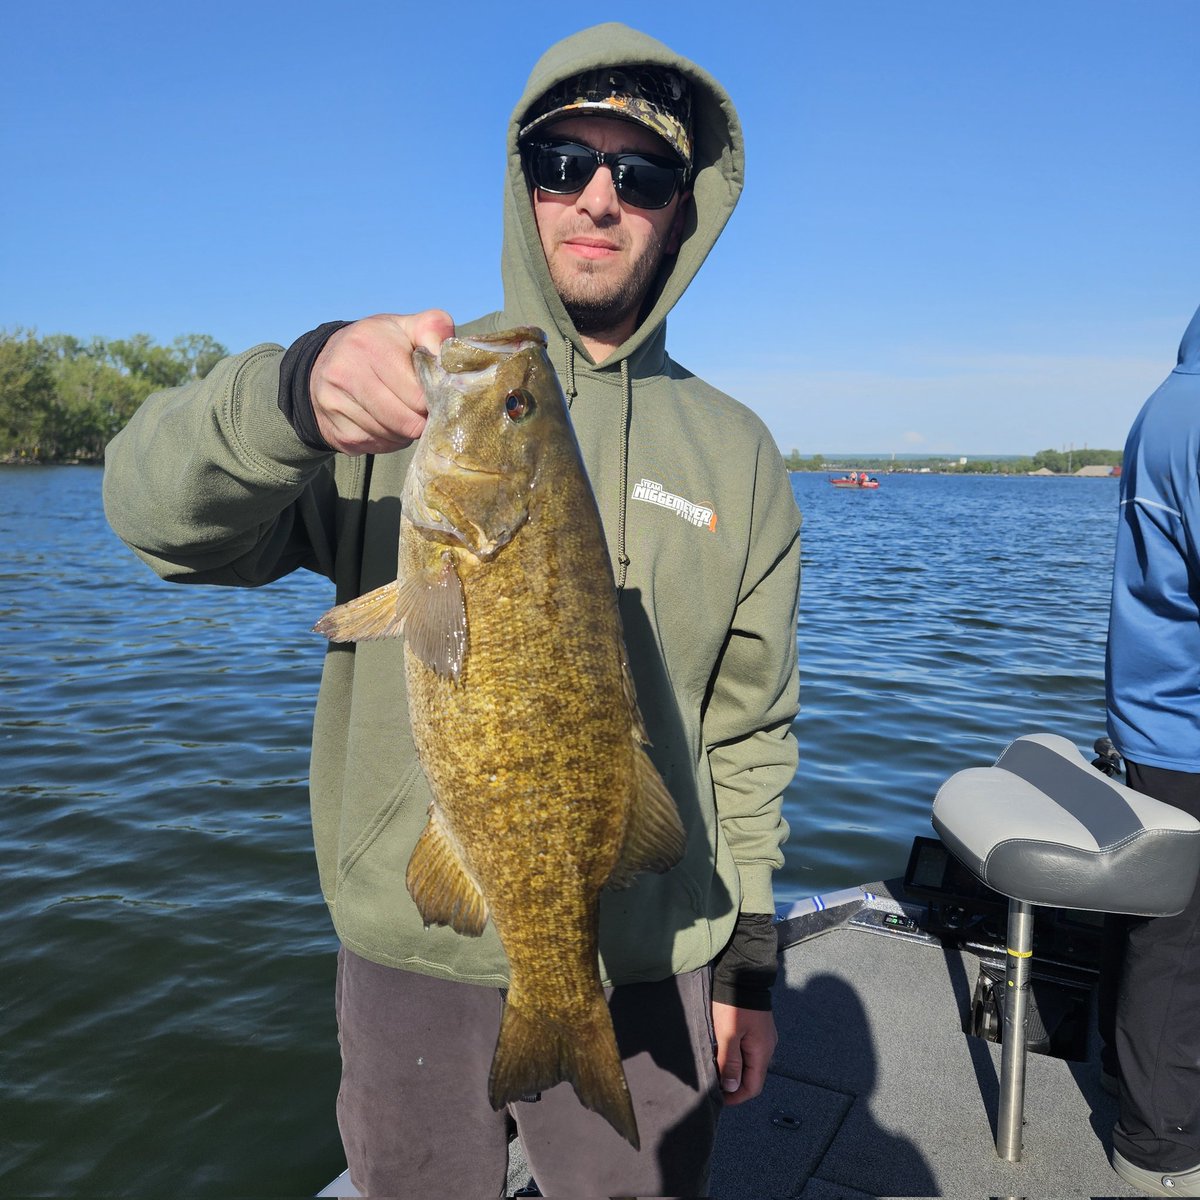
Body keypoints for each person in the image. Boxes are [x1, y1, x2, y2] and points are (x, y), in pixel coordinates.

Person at [103, 22, 802, 1198]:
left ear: (683, 208)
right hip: (410, 955)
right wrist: (292, 396)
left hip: (650, 962)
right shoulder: (401, 399)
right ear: (523, 185)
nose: (598, 197)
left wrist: (749, 967)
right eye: (564, 163)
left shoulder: (739, 454)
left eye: (640, 175)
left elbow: (749, 730)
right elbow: (152, 518)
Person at [1104, 302, 1200, 1197]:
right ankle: (1159, 1146)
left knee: (1163, 931)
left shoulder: (1169, 403)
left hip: (1158, 720)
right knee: (1179, 943)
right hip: (1184, 731)